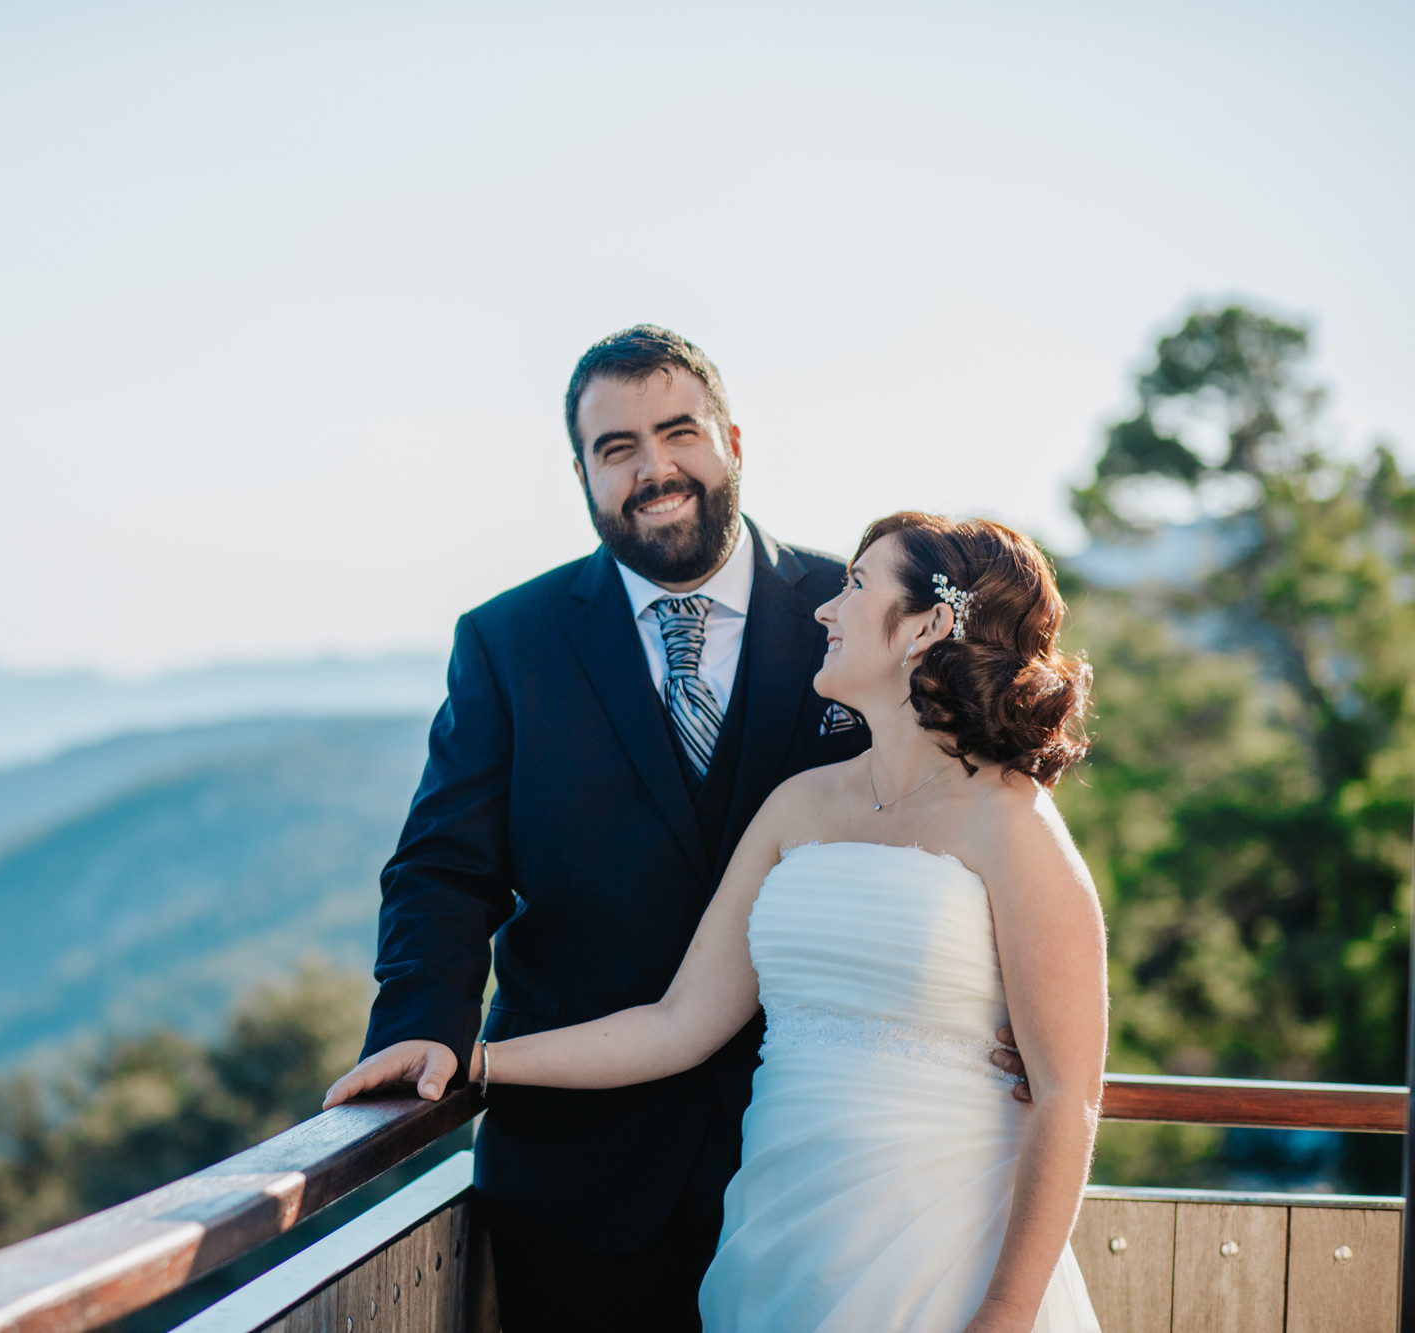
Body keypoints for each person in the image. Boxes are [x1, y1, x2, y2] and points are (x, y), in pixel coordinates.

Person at [330, 325, 1021, 1332]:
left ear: (732, 440)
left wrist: (993, 994)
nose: (653, 470)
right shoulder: (506, 642)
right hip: (576, 1173)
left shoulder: (861, 613)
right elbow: (443, 867)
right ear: (581, 474)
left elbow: (976, 812)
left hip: (824, 1163)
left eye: (677, 432)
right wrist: (420, 1032)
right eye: (615, 449)